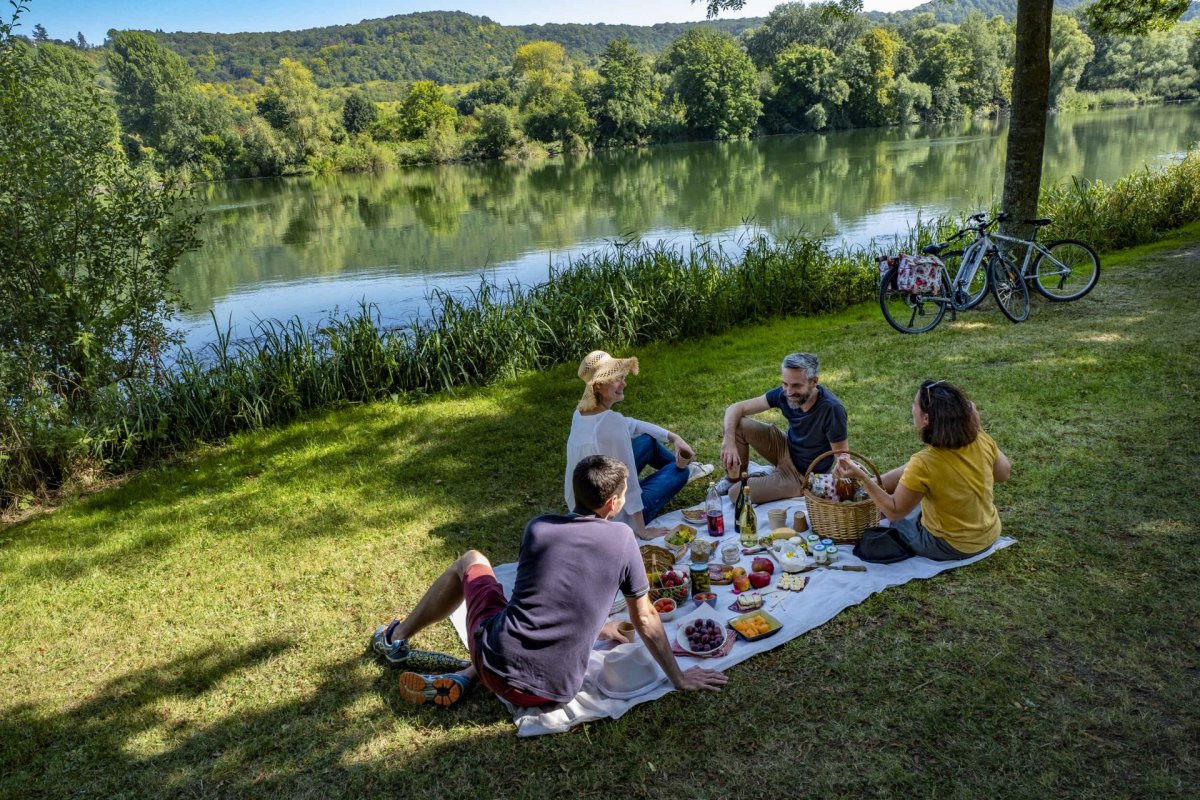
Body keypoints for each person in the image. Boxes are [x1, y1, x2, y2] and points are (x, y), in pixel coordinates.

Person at [372, 455, 727, 709]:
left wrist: (599, 626)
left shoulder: (538, 528)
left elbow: (540, 595)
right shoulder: (622, 539)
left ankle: (396, 639)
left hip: (495, 664)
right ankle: (462, 676)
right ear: (611, 503)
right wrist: (679, 679)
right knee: (504, 611)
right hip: (554, 692)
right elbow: (646, 619)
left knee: (473, 561)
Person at [835, 379, 1012, 560]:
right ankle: (878, 483)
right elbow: (1003, 473)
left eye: (914, 405)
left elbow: (895, 511)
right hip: (989, 534)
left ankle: (874, 486)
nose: (912, 408)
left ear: (926, 419)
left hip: (950, 545)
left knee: (901, 519)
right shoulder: (980, 438)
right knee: (914, 478)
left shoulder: (924, 463)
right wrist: (979, 429)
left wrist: (863, 479)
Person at [565, 350, 713, 540]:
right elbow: (629, 482)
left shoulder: (580, 413)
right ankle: (685, 468)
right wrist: (641, 530)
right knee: (680, 472)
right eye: (617, 379)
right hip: (615, 514)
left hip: (585, 501)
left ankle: (684, 464)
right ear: (599, 386)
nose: (624, 383)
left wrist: (673, 437)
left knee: (647, 440)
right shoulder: (611, 423)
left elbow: (633, 425)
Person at [719, 352, 849, 503]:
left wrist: (818, 485)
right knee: (738, 424)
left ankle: (767, 478)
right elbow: (735, 408)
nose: (788, 392)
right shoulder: (785, 394)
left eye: (796, 385)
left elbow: (842, 459)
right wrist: (728, 441)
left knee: (736, 494)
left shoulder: (832, 409)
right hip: (785, 448)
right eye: (785, 384)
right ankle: (734, 478)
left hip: (800, 476)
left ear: (814, 381)